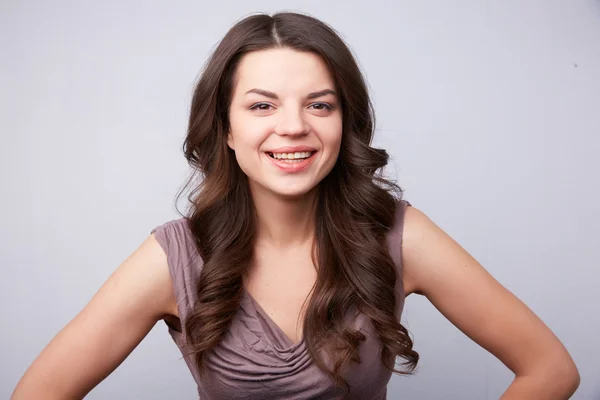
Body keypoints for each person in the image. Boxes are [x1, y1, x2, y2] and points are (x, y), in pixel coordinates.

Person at [11, 11, 579, 400]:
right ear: (226, 130)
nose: (293, 127)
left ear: (344, 124)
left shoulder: (400, 235)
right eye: (262, 105)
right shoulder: (175, 258)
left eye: (319, 105)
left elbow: (551, 369)